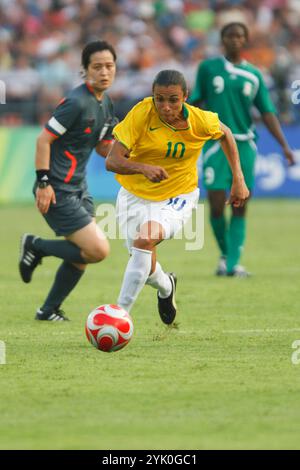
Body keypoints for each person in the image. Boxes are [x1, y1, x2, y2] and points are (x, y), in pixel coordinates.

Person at [105, 69, 249, 325]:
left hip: (177, 195)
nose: (166, 106)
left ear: (186, 97)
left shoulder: (200, 120)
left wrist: (238, 179)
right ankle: (166, 286)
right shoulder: (141, 113)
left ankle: (118, 316)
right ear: (153, 96)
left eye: (173, 99)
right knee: (144, 265)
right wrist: (143, 168)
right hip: (133, 195)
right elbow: (112, 160)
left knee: (144, 240)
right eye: (159, 99)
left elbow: (226, 134)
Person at [19, 40, 118, 321]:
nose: (104, 72)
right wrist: (43, 183)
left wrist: (132, 150)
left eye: (109, 66)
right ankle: (35, 245)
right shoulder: (76, 102)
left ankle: (47, 310)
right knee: (98, 250)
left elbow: (103, 147)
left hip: (79, 188)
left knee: (81, 255)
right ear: (85, 70)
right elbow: (43, 139)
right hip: (57, 188)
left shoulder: (106, 103)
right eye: (97, 67)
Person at [190, 22, 295, 277]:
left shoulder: (254, 75)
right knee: (215, 204)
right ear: (222, 39)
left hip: (244, 144)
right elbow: (195, 101)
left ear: (245, 40)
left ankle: (233, 263)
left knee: (240, 204)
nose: (235, 40)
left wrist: (284, 146)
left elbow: (267, 112)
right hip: (215, 143)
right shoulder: (208, 68)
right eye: (230, 36)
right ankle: (226, 255)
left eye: (239, 36)